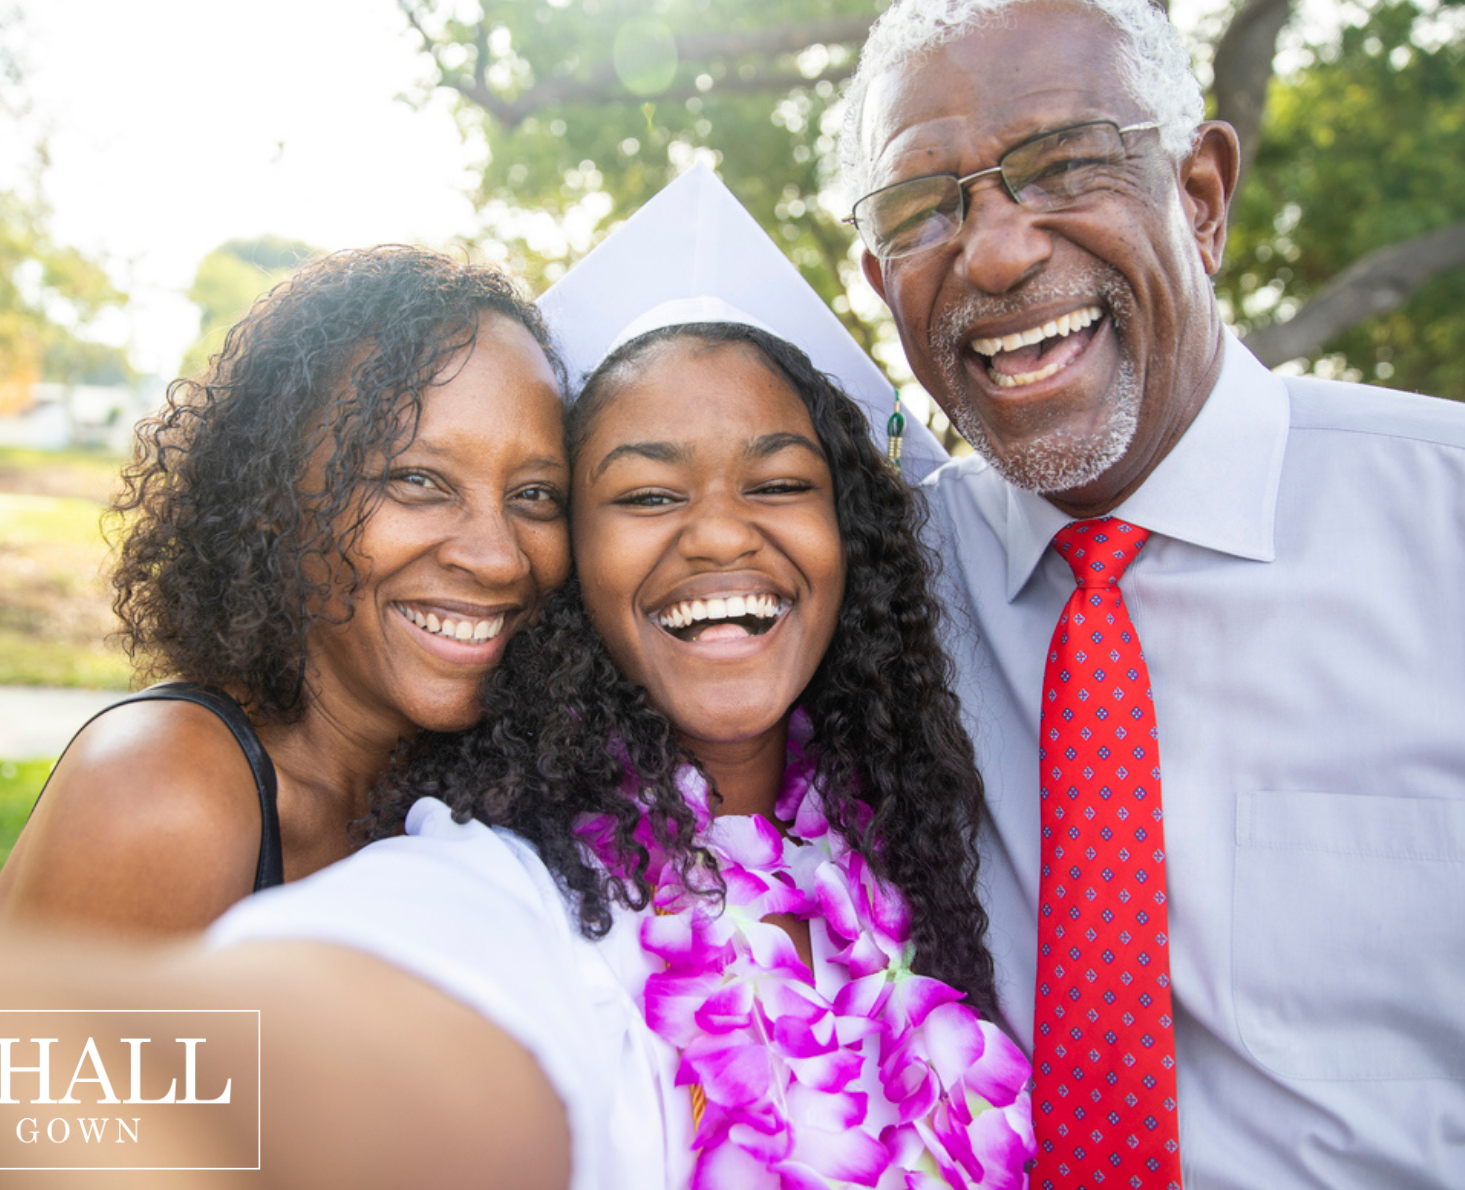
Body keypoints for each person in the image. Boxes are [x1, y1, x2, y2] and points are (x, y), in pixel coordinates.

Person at [837, 0, 1465, 1189]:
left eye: (1065, 164)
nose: (995, 252)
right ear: (882, 282)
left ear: (1202, 197)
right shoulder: (874, 592)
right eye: (921, 209)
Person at [210, 310, 1034, 1189]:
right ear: (573, 563)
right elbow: (332, 1001)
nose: (719, 535)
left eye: (780, 483)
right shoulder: (525, 893)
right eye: (648, 495)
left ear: (849, 539)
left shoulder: (917, 856)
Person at [0, 247, 571, 942]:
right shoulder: (163, 794)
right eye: (416, 480)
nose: (497, 558)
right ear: (272, 496)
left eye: (536, 494)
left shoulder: (478, 793)